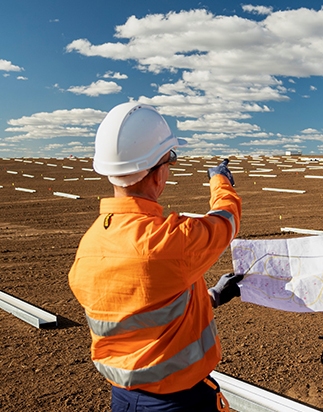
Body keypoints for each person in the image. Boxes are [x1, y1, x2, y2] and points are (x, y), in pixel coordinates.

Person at [68, 102, 243, 412]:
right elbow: (226, 221)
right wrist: (221, 182)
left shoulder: (90, 246)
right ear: (156, 174)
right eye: (169, 161)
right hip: (180, 402)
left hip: (124, 400)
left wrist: (211, 296)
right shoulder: (168, 242)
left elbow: (146, 308)